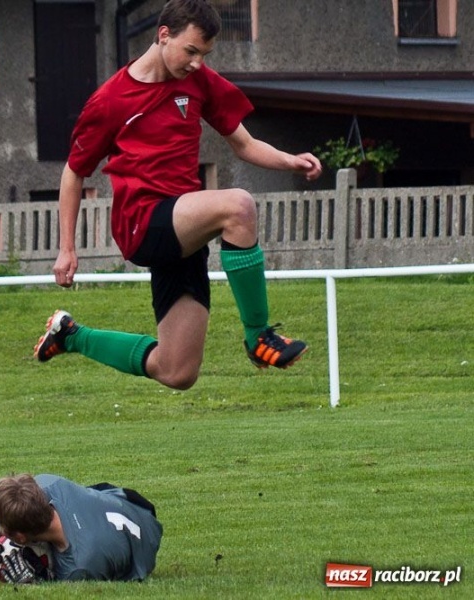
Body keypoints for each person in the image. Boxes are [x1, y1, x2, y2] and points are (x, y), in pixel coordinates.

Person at [34, 0, 322, 389]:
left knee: (176, 371)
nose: (197, 63)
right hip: (142, 223)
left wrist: (291, 161)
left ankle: (70, 335)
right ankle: (258, 336)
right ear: (163, 34)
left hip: (183, 230)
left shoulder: (197, 81)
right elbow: (73, 173)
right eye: (191, 51)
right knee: (238, 206)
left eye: (205, 54)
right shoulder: (110, 100)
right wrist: (66, 248)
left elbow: (243, 143)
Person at [0, 473, 162, 582]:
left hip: (145, 542)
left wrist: (35, 576)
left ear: (21, 538)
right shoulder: (48, 482)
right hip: (130, 503)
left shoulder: (79, 567)